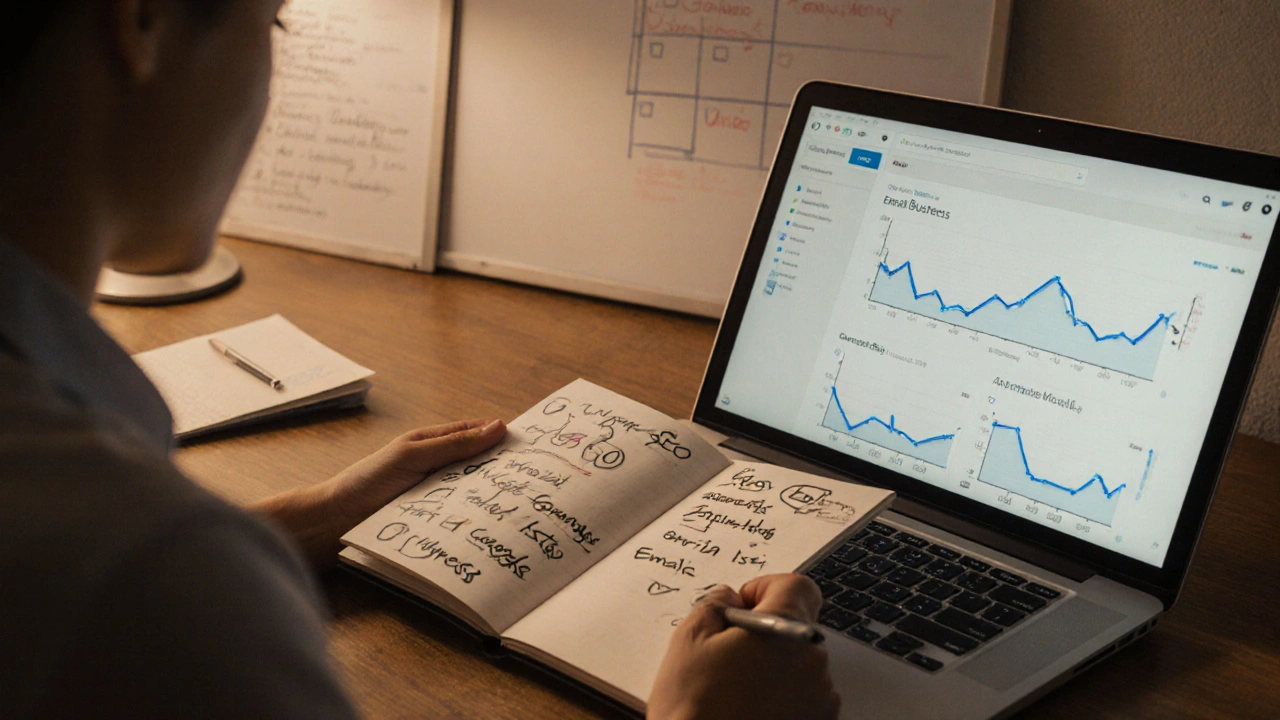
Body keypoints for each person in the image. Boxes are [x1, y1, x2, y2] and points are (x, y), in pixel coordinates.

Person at [0, 2, 840, 718]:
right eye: (276, 24)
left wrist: (308, 518)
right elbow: (131, 586)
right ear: (140, 21)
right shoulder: (155, 578)